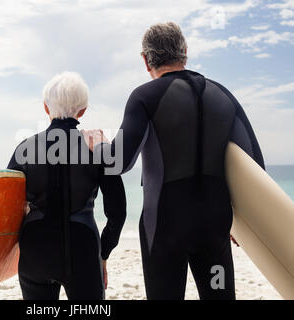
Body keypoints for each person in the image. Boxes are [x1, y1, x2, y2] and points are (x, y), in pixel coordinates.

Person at [83, 22, 265, 300]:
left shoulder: (144, 97)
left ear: (146, 60)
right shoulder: (223, 95)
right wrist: (247, 225)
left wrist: (97, 146)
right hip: (214, 227)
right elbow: (255, 167)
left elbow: (119, 162)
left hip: (165, 228)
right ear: (186, 52)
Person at [7, 71, 127, 300]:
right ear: (83, 110)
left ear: (45, 107)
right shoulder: (96, 147)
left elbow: (5, 206)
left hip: (36, 250)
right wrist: (104, 252)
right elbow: (117, 211)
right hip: (82, 249)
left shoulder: (25, 148)